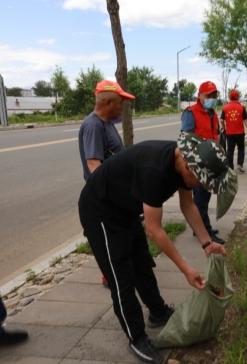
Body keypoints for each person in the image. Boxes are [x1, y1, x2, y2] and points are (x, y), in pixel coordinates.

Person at [78, 133, 237, 364]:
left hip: (126, 209)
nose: (200, 185)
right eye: (200, 180)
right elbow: (154, 230)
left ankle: (158, 311)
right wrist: (185, 269)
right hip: (100, 210)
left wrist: (207, 243)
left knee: (142, 263)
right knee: (121, 276)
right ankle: (137, 337)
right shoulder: (154, 170)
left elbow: (188, 205)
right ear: (188, 166)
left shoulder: (184, 161)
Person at [78, 80, 133, 286]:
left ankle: (118, 271)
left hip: (115, 191)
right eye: (121, 103)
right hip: (105, 195)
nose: (122, 107)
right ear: (109, 102)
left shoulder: (107, 123)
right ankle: (110, 276)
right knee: (109, 238)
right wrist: (112, 195)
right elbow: (94, 165)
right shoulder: (93, 125)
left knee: (120, 237)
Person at [181, 81, 225, 245]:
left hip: (210, 160)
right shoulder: (190, 113)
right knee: (200, 198)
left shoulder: (213, 113)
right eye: (208, 95)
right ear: (199, 96)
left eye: (214, 95)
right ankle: (205, 232)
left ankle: (197, 227)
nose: (212, 98)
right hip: (197, 163)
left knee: (204, 197)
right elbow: (185, 140)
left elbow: (216, 135)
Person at [220, 89, 247, 173]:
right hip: (240, 133)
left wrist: (224, 128)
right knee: (241, 148)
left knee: (230, 150)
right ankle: (240, 165)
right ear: (238, 97)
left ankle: (230, 167)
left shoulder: (225, 108)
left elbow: (221, 120)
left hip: (229, 133)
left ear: (230, 97)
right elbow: (246, 121)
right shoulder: (242, 107)